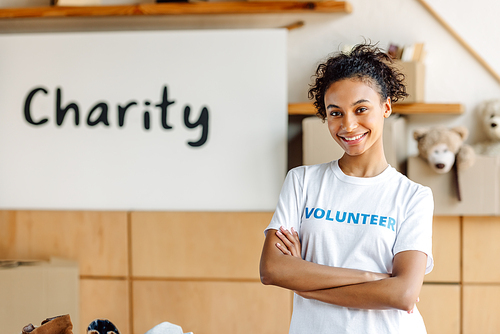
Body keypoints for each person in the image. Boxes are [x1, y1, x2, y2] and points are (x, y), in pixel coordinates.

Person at [259, 43, 434, 333]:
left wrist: (304, 283)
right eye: (335, 112)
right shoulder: (302, 182)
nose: (348, 125)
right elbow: (273, 270)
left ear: (386, 107)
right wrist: (370, 277)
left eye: (361, 109)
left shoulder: (413, 197)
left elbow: (402, 295)